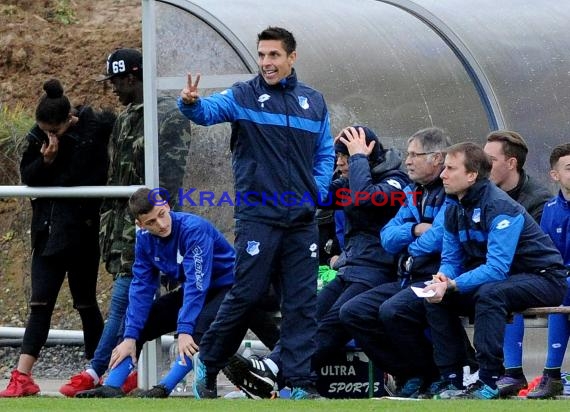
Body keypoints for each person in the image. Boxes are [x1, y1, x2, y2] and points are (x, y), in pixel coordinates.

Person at [178, 26, 335, 400]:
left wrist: (317, 191)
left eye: (274, 55)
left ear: (291, 58)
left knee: (301, 303)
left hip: (301, 220)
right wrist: (191, 103)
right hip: (259, 216)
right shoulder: (243, 95)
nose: (266, 62)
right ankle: (210, 361)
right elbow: (207, 111)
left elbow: (325, 153)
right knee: (246, 294)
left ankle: (298, 383)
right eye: (262, 55)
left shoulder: (313, 101)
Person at [223, 125, 409, 399]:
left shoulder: (396, 181)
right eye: (339, 157)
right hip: (351, 269)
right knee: (306, 317)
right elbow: (316, 194)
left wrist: (358, 159)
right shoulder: (349, 181)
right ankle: (270, 370)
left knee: (331, 322)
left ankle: (280, 377)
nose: (341, 163)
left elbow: (365, 198)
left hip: (379, 272)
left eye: (346, 156)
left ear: (367, 153)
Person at [59, 48, 192, 397]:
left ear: (131, 78)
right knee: (130, 301)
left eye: (116, 82)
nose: (113, 90)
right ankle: (120, 370)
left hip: (148, 229)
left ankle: (98, 368)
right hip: (120, 231)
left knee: (125, 299)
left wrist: (157, 225)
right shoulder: (126, 116)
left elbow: (171, 178)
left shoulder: (166, 114)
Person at [421, 142, 567, 400]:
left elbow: (496, 269)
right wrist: (443, 278)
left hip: (544, 278)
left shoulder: (500, 206)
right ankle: (454, 379)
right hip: (511, 279)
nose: (442, 174)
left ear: (471, 175)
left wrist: (453, 284)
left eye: (450, 168)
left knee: (490, 293)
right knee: (436, 299)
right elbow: (451, 255)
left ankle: (489, 380)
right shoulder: (455, 205)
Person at [0, 79, 114, 397]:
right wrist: (46, 160)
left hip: (81, 232)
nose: (49, 137)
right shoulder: (39, 137)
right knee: (39, 305)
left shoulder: (91, 134)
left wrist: (55, 166)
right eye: (44, 131)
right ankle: (22, 376)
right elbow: (29, 175)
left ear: (68, 121)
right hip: (46, 234)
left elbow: (84, 177)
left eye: (55, 131)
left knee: (86, 303)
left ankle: (98, 370)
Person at [73, 187, 234, 398]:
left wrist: (184, 329)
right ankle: (112, 386)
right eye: (150, 222)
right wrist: (130, 336)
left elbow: (197, 283)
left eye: (161, 215)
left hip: (228, 287)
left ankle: (163, 388)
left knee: (196, 327)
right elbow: (141, 288)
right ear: (140, 225)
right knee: (139, 322)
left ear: (167, 206)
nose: (161, 224)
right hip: (194, 289)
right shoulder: (144, 240)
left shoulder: (193, 229)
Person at [340, 127, 452, 397]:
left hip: (441, 278)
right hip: (409, 278)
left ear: (437, 158)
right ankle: (411, 372)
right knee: (352, 312)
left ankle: (434, 373)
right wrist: (413, 230)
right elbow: (387, 238)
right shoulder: (413, 191)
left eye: (415, 154)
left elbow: (437, 238)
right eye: (408, 154)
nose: (408, 160)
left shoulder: (451, 190)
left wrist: (411, 238)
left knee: (392, 310)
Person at [482, 130, 552, 396]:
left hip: (532, 275)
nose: (483, 166)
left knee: (496, 291)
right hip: (497, 271)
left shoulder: (538, 200)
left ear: (511, 163)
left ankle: (508, 373)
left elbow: (533, 254)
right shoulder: (482, 194)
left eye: (490, 159)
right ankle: (459, 372)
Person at [525, 143, 570, 399]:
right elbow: (545, 253)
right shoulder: (550, 211)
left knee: (562, 290)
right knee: (511, 291)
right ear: (555, 175)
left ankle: (551, 374)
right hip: (560, 278)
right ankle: (510, 372)